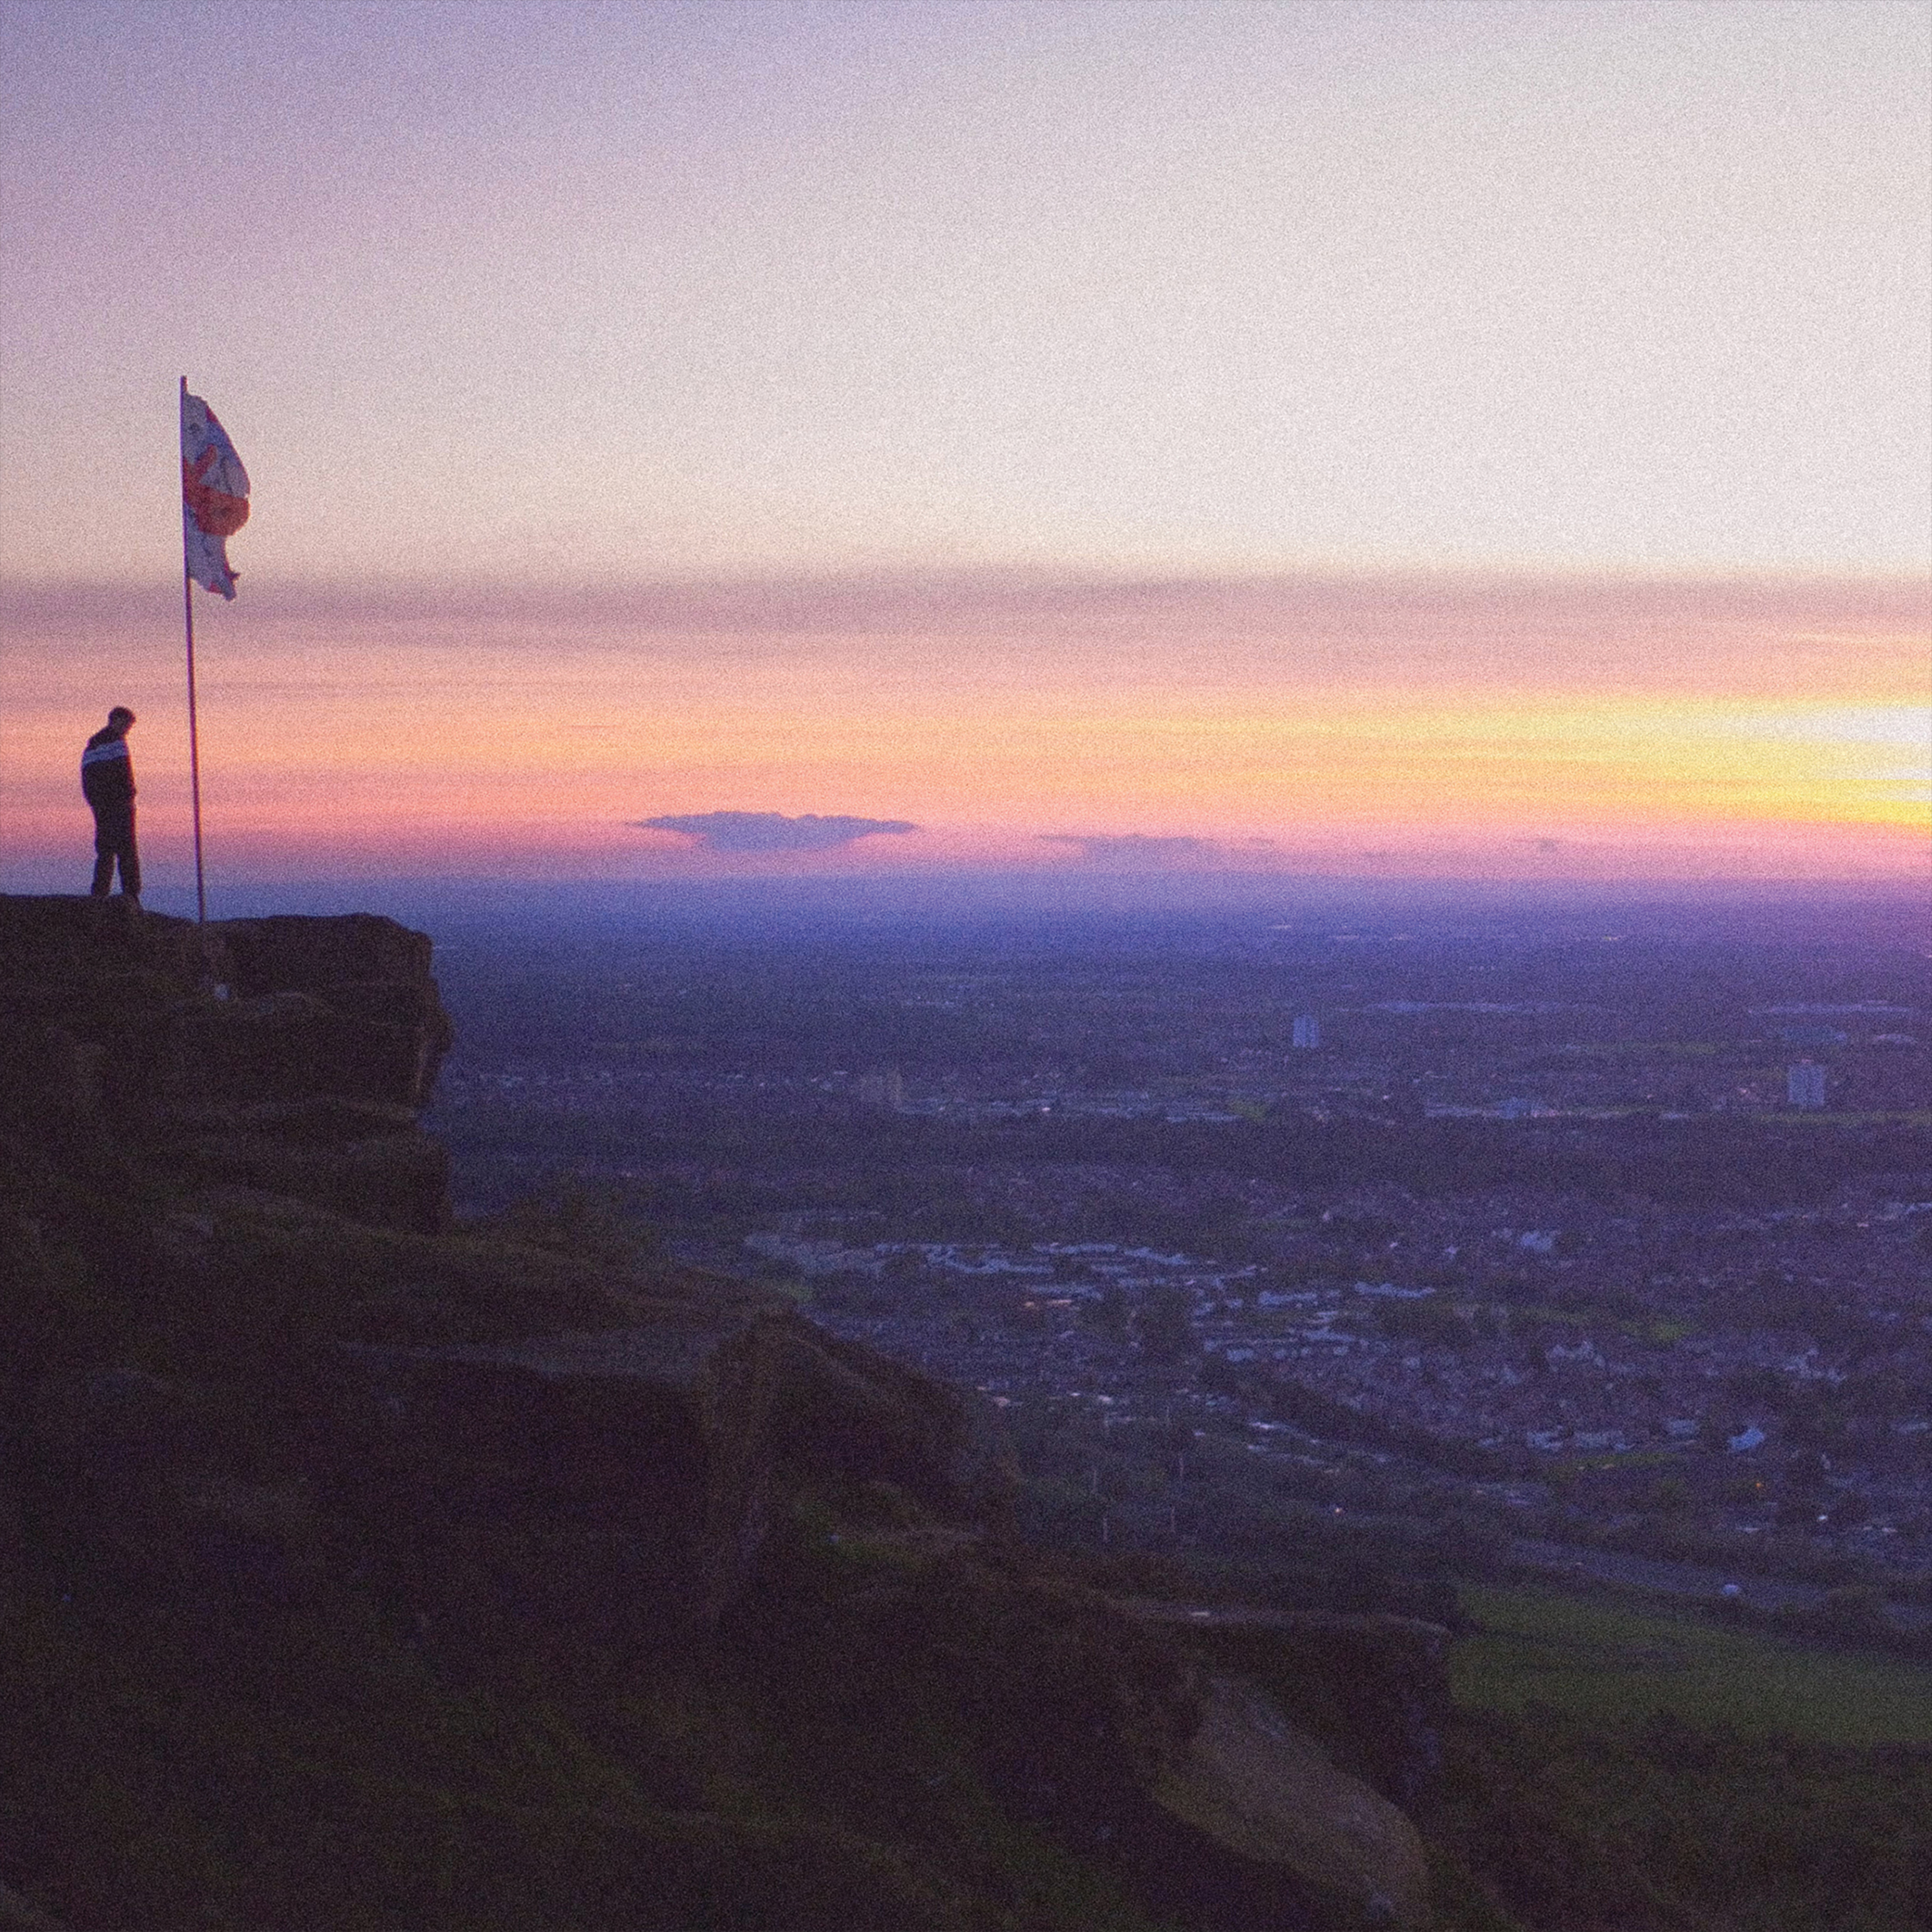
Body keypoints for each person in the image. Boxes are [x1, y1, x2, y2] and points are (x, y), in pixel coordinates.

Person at [82, 706, 141, 905]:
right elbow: (123, 776)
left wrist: (97, 804)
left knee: (107, 851)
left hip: (104, 808)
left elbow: (88, 780)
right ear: (116, 720)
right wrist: (128, 796)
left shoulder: (93, 745)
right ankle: (130, 896)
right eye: (126, 725)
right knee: (126, 851)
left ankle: (100, 895)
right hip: (118, 806)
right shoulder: (115, 743)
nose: (127, 730)